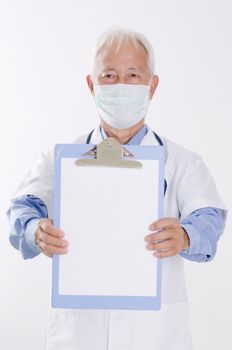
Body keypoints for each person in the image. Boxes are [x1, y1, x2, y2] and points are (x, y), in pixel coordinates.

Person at [7, 27, 227, 350]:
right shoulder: (59, 159)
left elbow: (209, 220)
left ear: (152, 86)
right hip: (78, 335)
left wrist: (186, 235)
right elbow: (21, 210)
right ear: (90, 85)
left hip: (157, 336)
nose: (121, 85)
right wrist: (35, 231)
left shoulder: (182, 163)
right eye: (109, 75)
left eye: (133, 75)